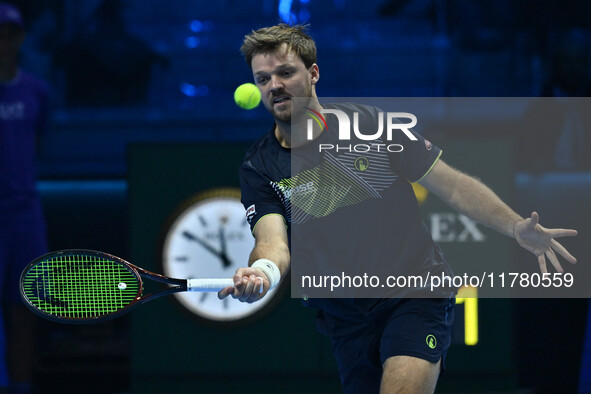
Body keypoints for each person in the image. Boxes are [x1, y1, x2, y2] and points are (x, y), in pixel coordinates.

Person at [218, 24, 578, 393]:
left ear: (313, 73)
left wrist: (516, 226)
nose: (274, 85)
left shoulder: (372, 126)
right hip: (345, 316)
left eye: (285, 72)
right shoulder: (259, 167)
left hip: (414, 292)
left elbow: (451, 184)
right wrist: (261, 271)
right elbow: (273, 242)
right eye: (263, 78)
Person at [0, 3, 49, 393]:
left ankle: (20, 387)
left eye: (9, 33)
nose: (3, 41)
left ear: (20, 38)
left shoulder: (36, 90)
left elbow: (37, 140)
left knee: (24, 310)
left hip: (25, 215)